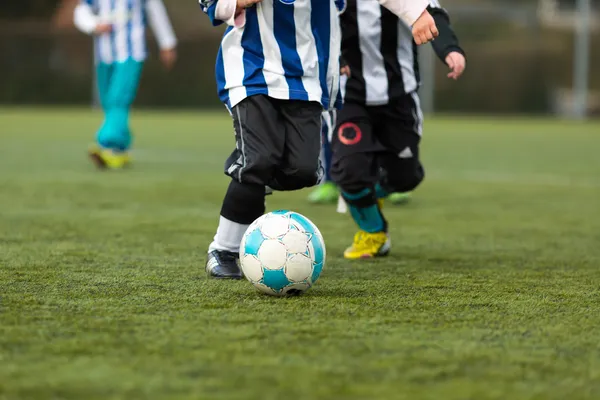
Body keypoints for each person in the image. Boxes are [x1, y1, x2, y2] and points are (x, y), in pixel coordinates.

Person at [200, 0, 440, 279]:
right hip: (251, 69)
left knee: (303, 171)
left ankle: (251, 179)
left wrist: (417, 14)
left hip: (307, 78)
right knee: (259, 159)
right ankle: (223, 250)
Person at [330, 0, 466, 259]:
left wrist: (450, 50)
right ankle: (373, 233)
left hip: (399, 97)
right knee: (350, 170)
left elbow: (434, 15)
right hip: (351, 97)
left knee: (406, 177)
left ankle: (367, 195)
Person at [74, 0, 177, 169]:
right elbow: (81, 11)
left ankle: (105, 143)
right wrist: (93, 25)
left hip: (131, 53)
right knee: (108, 102)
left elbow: (156, 11)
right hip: (104, 54)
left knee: (118, 98)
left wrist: (167, 43)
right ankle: (120, 151)